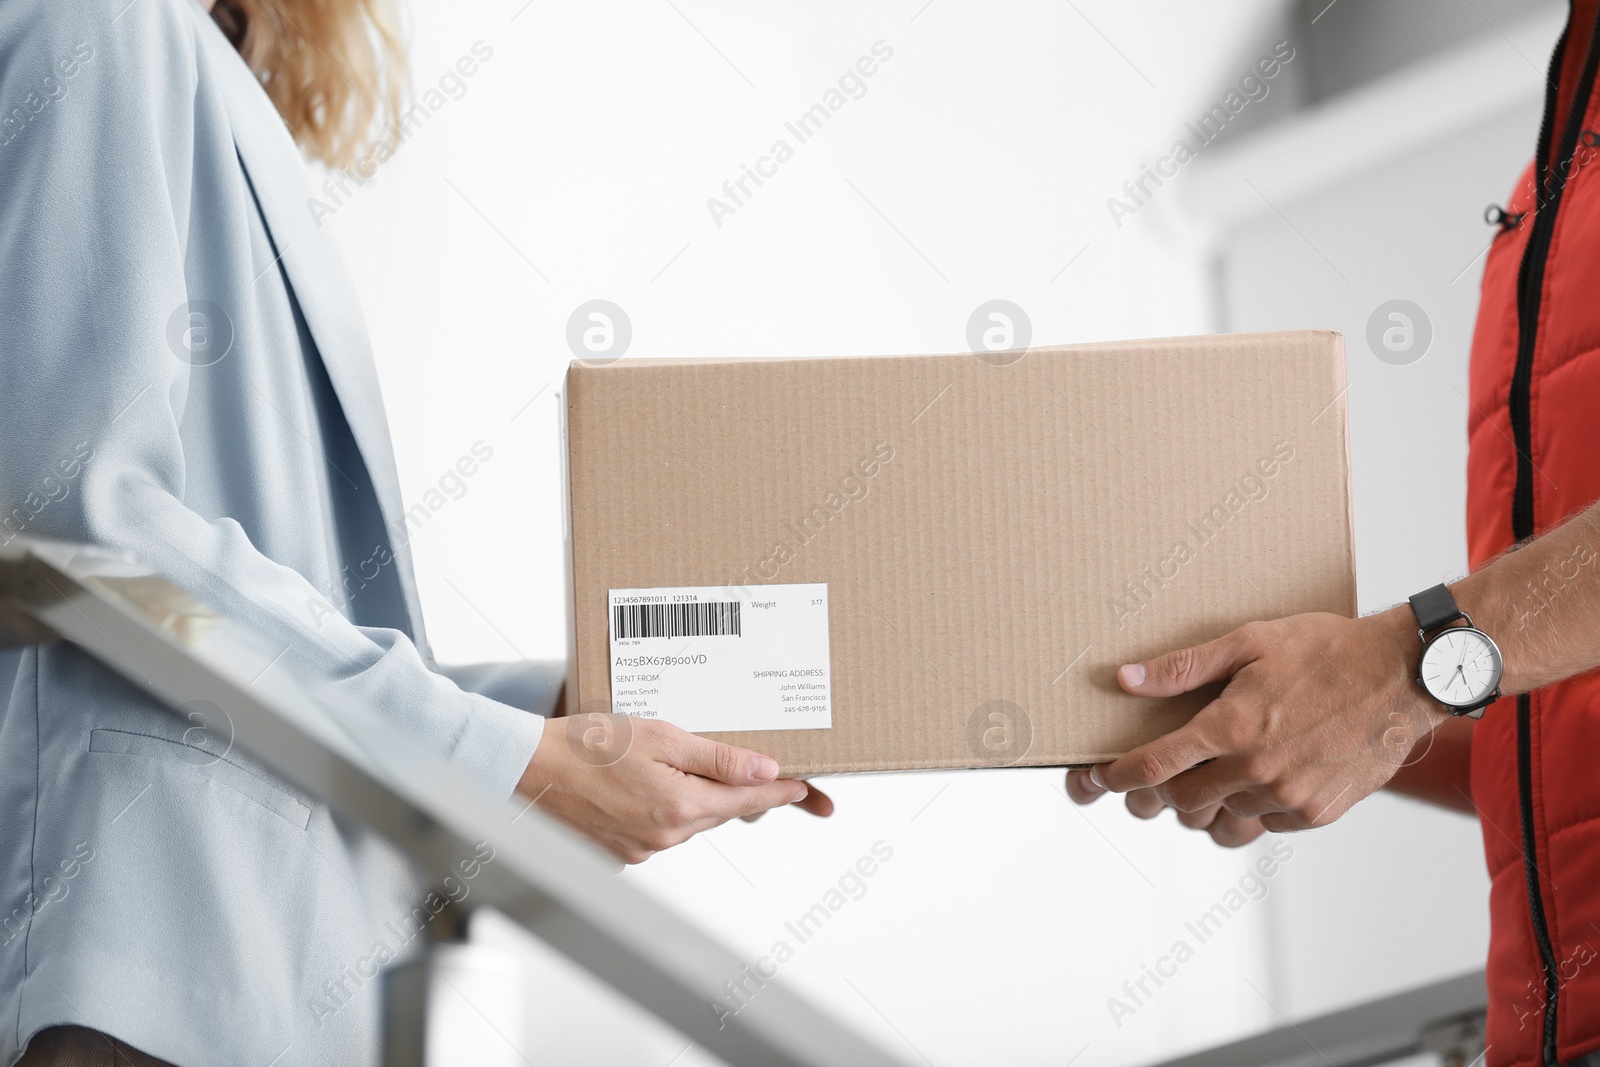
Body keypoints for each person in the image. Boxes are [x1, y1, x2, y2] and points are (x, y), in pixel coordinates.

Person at [0, 0, 828, 1064]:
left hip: (277, 967)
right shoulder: (99, 18)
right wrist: (500, 758)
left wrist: (543, 724)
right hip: (161, 950)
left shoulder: (189, 62)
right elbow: (84, 534)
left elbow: (267, 590)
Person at [1068, 3, 1600, 1063]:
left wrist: (1397, 670)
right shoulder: (1551, 174)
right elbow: (1556, 730)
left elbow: (1440, 662)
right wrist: (1298, 712)